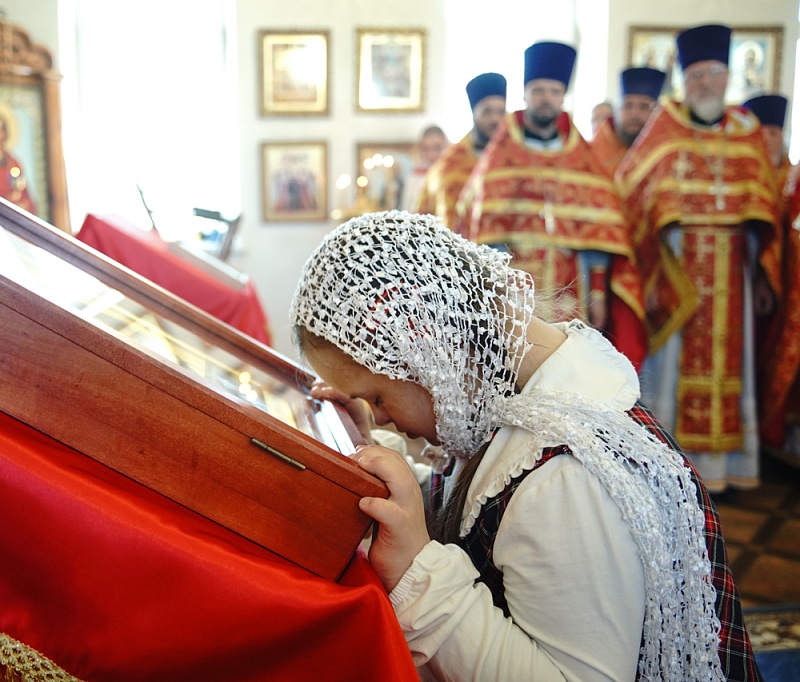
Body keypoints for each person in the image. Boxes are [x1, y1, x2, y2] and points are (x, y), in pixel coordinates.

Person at [290, 211, 759, 680]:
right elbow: (477, 499)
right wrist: (377, 456)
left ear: (423, 345)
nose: (380, 415)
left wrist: (417, 569)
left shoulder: (564, 482)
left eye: (377, 397)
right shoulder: (518, 401)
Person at [615, 24, 781, 493]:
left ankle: (725, 468)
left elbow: (767, 210)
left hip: (734, 268)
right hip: (676, 267)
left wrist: (763, 276)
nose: (705, 83)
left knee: (732, 366)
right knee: (671, 370)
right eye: (696, 76)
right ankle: (670, 463)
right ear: (684, 81)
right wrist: (650, 270)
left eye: (713, 73)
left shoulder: (747, 133)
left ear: (728, 76)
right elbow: (630, 194)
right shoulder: (663, 129)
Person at [456, 41, 647, 369]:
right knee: (515, 368)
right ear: (525, 95)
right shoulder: (501, 153)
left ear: (563, 97)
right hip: (517, 285)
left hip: (572, 285)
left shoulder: (582, 157)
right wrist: (498, 290)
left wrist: (598, 292)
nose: (546, 98)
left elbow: (602, 234)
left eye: (554, 91)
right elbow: (482, 230)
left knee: (570, 368)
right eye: (538, 91)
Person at [744, 94, 800, 464]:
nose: (768, 139)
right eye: (761, 133)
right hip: (747, 284)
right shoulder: (746, 177)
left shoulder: (792, 178)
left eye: (774, 133)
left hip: (789, 283)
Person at [417, 72, 507, 229]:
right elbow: (421, 220)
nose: (495, 119)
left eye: (501, 112)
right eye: (487, 111)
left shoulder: (516, 160)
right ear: (474, 113)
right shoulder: (447, 165)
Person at [590, 67, 665, 178]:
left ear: (657, 112)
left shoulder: (666, 151)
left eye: (644, 106)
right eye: (627, 105)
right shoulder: (594, 153)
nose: (635, 113)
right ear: (616, 111)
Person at [399, 125, 449, 213]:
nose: (431, 155)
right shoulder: (414, 178)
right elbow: (407, 212)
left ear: (446, 147)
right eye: (426, 149)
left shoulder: (454, 175)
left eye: (437, 148)